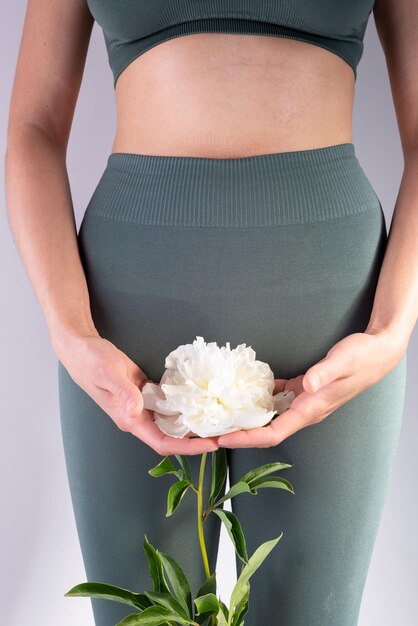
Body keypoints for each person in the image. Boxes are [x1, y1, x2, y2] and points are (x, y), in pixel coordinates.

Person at [4, 1, 417, 625]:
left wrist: (390, 330)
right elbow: (31, 128)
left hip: (333, 309)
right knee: (143, 614)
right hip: (126, 317)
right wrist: (69, 331)